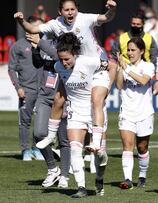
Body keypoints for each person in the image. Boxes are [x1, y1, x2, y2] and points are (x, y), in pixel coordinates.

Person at [14, 0, 117, 153]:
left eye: (73, 9)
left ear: (77, 10)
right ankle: (50, 136)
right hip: (73, 66)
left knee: (95, 101)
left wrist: (113, 9)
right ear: (60, 11)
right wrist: (20, 20)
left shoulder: (85, 18)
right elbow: (33, 29)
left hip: (94, 66)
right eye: (67, 10)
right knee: (58, 100)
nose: (70, 13)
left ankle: (96, 143)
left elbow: (106, 18)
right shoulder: (56, 24)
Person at [52, 32, 109, 198]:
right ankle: (81, 187)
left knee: (99, 155)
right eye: (61, 59)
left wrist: (104, 89)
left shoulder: (90, 62)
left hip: (95, 110)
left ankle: (99, 179)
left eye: (67, 59)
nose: (64, 63)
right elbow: (62, 86)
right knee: (75, 149)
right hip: (75, 111)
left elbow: (110, 67)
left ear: (75, 54)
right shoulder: (58, 67)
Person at [26, 32, 70, 188]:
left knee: (64, 140)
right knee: (39, 134)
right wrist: (35, 49)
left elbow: (59, 57)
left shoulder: (71, 46)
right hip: (44, 96)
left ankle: (64, 175)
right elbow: (38, 63)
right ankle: (53, 169)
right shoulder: (47, 44)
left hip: (63, 97)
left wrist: (40, 42)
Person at [115, 37, 155, 189]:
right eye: (128, 50)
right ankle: (127, 179)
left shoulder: (148, 66)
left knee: (142, 147)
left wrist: (126, 69)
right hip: (127, 112)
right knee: (127, 146)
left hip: (144, 113)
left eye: (133, 50)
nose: (130, 53)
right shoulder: (125, 67)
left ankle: (142, 176)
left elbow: (144, 81)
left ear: (142, 51)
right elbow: (119, 86)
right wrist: (120, 69)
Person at [8, 16, 44, 161]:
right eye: (37, 27)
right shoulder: (18, 46)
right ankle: (25, 150)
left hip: (43, 90)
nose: (40, 30)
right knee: (25, 122)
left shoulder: (44, 44)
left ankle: (37, 148)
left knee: (41, 122)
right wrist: (18, 88)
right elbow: (11, 69)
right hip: (26, 90)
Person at [111, 13, 158, 94]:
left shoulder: (149, 38)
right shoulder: (121, 38)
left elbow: (155, 57)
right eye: (133, 24)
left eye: (138, 24)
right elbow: (113, 57)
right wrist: (118, 70)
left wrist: (157, 77)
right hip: (125, 75)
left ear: (143, 25)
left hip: (144, 73)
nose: (135, 26)